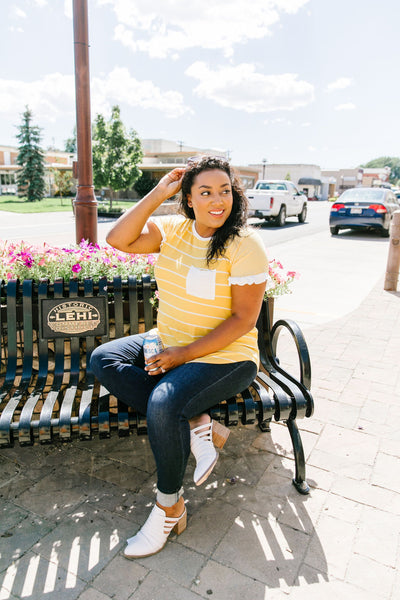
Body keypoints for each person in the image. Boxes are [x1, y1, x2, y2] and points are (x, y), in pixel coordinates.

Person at [90, 156, 269, 559]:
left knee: (163, 402)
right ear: (188, 199)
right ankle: (199, 424)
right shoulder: (173, 230)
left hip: (228, 357)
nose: (217, 200)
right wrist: (158, 193)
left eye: (224, 190)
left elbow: (243, 320)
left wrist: (183, 355)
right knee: (104, 359)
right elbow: (118, 240)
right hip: (167, 342)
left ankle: (167, 506)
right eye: (204, 192)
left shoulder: (246, 244)